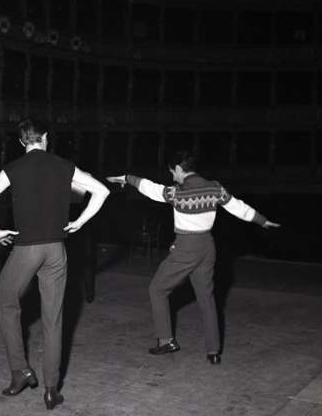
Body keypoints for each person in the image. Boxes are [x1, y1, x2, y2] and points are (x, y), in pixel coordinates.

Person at [0, 118, 109, 410]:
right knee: (54, 318)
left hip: (26, 249)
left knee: (5, 304)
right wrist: (79, 222)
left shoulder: (12, 169)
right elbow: (102, 191)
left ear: (21, 141)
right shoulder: (64, 166)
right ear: (45, 137)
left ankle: (20, 371)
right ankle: (51, 389)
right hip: (56, 250)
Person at [107, 149, 280, 365]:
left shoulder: (177, 193)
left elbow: (150, 188)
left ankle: (166, 341)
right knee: (207, 298)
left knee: (157, 289)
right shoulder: (214, 187)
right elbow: (238, 207)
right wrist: (262, 220)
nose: (172, 176)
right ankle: (213, 351)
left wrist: (126, 178)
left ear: (179, 169)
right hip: (207, 246)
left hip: (186, 247)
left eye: (173, 172)